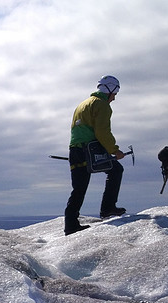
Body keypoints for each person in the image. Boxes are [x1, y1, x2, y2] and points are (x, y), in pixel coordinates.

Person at [64, 75, 127, 236]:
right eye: (115, 93)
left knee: (78, 188)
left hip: (75, 150)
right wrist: (115, 150)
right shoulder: (101, 105)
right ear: (111, 89)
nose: (114, 98)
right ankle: (107, 208)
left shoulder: (83, 104)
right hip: (90, 150)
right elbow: (102, 131)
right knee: (116, 170)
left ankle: (70, 224)